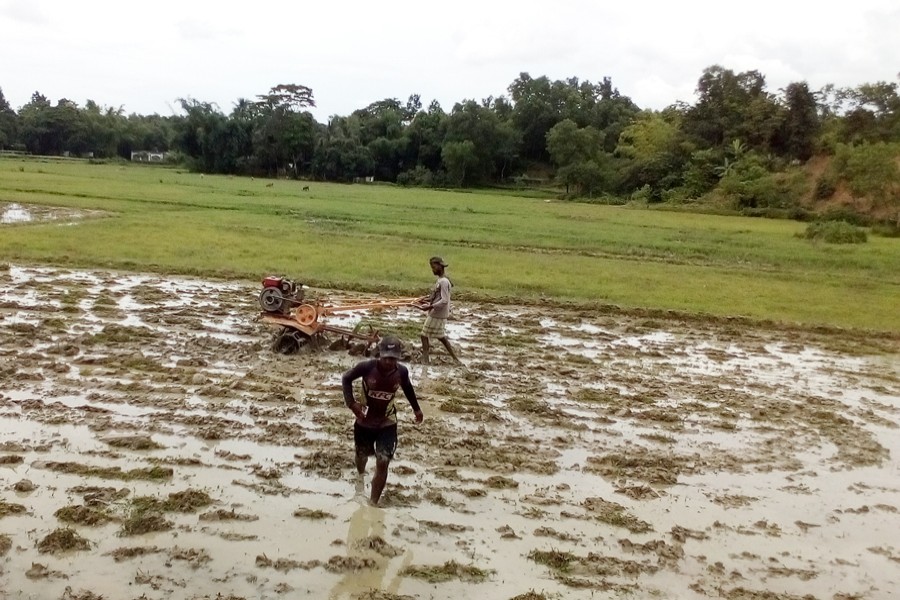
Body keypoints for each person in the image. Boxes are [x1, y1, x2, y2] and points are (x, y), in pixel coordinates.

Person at [341, 336, 423, 506]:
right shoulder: (366, 367)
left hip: (387, 422)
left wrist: (416, 409)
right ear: (379, 354)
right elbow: (346, 378)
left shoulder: (401, 372)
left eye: (393, 359)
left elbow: (408, 388)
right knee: (361, 455)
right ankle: (360, 477)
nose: (388, 362)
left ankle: (373, 503)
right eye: (386, 358)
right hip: (364, 421)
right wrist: (352, 404)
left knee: (383, 460)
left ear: (398, 357)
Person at [418, 256, 461, 364]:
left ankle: (426, 360)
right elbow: (438, 297)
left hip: (437, 313)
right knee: (441, 337)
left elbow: (444, 300)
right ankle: (455, 359)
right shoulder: (441, 280)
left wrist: (430, 307)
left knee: (424, 335)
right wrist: (426, 300)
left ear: (439, 266)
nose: (432, 270)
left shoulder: (444, 282)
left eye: (433, 267)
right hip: (439, 312)